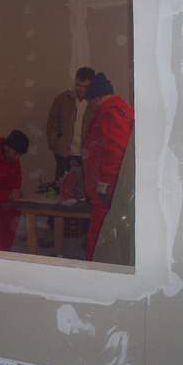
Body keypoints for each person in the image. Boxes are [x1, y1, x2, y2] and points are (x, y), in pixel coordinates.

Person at [82, 73, 134, 260]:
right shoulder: (116, 110)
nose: (91, 107)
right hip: (109, 188)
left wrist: (104, 183)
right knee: (104, 235)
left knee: (100, 237)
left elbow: (115, 149)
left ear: (97, 98)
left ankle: (96, 270)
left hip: (107, 190)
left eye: (90, 102)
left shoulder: (111, 112)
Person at [46, 66, 96, 181]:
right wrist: (56, 145)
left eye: (85, 86)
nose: (80, 89)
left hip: (86, 157)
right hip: (64, 155)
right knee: (61, 187)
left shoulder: (95, 103)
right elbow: (52, 125)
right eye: (78, 85)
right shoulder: (62, 100)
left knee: (83, 189)